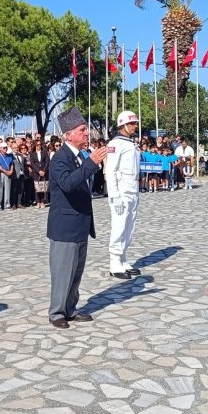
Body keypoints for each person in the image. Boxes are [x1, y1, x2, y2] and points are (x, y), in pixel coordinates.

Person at [46, 107, 108, 329]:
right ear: (68, 134)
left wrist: (90, 162)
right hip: (65, 225)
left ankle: (70, 308)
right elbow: (68, 184)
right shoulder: (60, 158)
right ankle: (57, 312)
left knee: (76, 271)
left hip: (80, 222)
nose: (86, 133)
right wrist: (91, 163)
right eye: (82, 130)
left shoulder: (81, 156)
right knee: (63, 271)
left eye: (86, 129)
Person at [105, 110, 142, 280]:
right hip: (121, 190)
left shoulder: (131, 143)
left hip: (133, 188)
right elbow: (110, 171)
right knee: (119, 225)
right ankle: (114, 262)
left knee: (129, 227)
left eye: (135, 123)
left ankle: (123, 258)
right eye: (132, 124)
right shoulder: (115, 144)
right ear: (123, 125)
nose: (135, 126)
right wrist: (114, 195)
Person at [29, 139, 49, 208]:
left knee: (43, 186)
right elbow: (32, 163)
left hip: (44, 171)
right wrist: (38, 171)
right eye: (37, 145)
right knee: (37, 187)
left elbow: (47, 162)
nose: (39, 146)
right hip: (36, 172)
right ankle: (38, 202)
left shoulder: (44, 152)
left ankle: (42, 201)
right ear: (35, 145)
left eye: (40, 145)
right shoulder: (32, 153)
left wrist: (44, 170)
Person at [0, 143, 13, 210]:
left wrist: (11, 170)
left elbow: (11, 164)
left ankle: (7, 205)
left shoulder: (9, 155)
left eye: (6, 147)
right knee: (0, 190)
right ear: (0, 148)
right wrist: (5, 171)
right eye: (4, 148)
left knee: (7, 189)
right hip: (1, 173)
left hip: (8, 173)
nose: (5, 149)